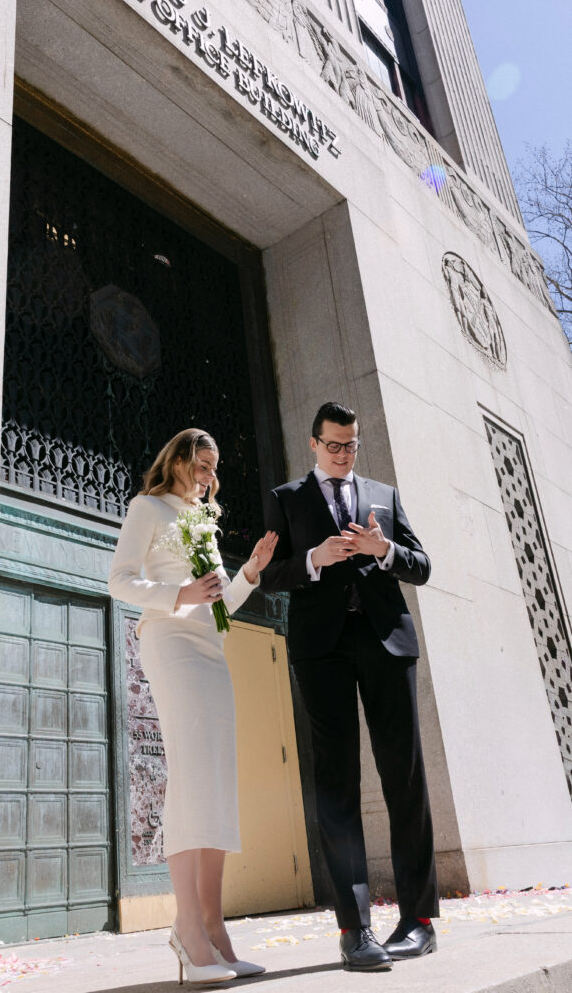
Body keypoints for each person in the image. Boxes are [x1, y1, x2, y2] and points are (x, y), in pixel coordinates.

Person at [260, 402, 439, 971]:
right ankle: (354, 929)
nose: (343, 455)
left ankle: (418, 921)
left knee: (403, 776)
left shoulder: (383, 493)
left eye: (351, 446)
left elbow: (422, 565)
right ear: (313, 443)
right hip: (323, 650)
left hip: (387, 640)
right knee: (336, 782)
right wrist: (313, 558)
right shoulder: (287, 498)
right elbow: (267, 574)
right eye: (334, 445)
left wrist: (382, 550)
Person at [108, 428, 277, 985]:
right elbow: (119, 581)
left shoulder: (202, 519)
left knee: (216, 783)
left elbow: (221, 604)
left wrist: (250, 571)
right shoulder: (148, 507)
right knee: (190, 779)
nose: (208, 476)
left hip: (210, 648)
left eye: (214, 468)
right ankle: (187, 928)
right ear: (178, 459)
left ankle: (214, 927)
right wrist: (177, 596)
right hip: (170, 643)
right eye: (202, 464)